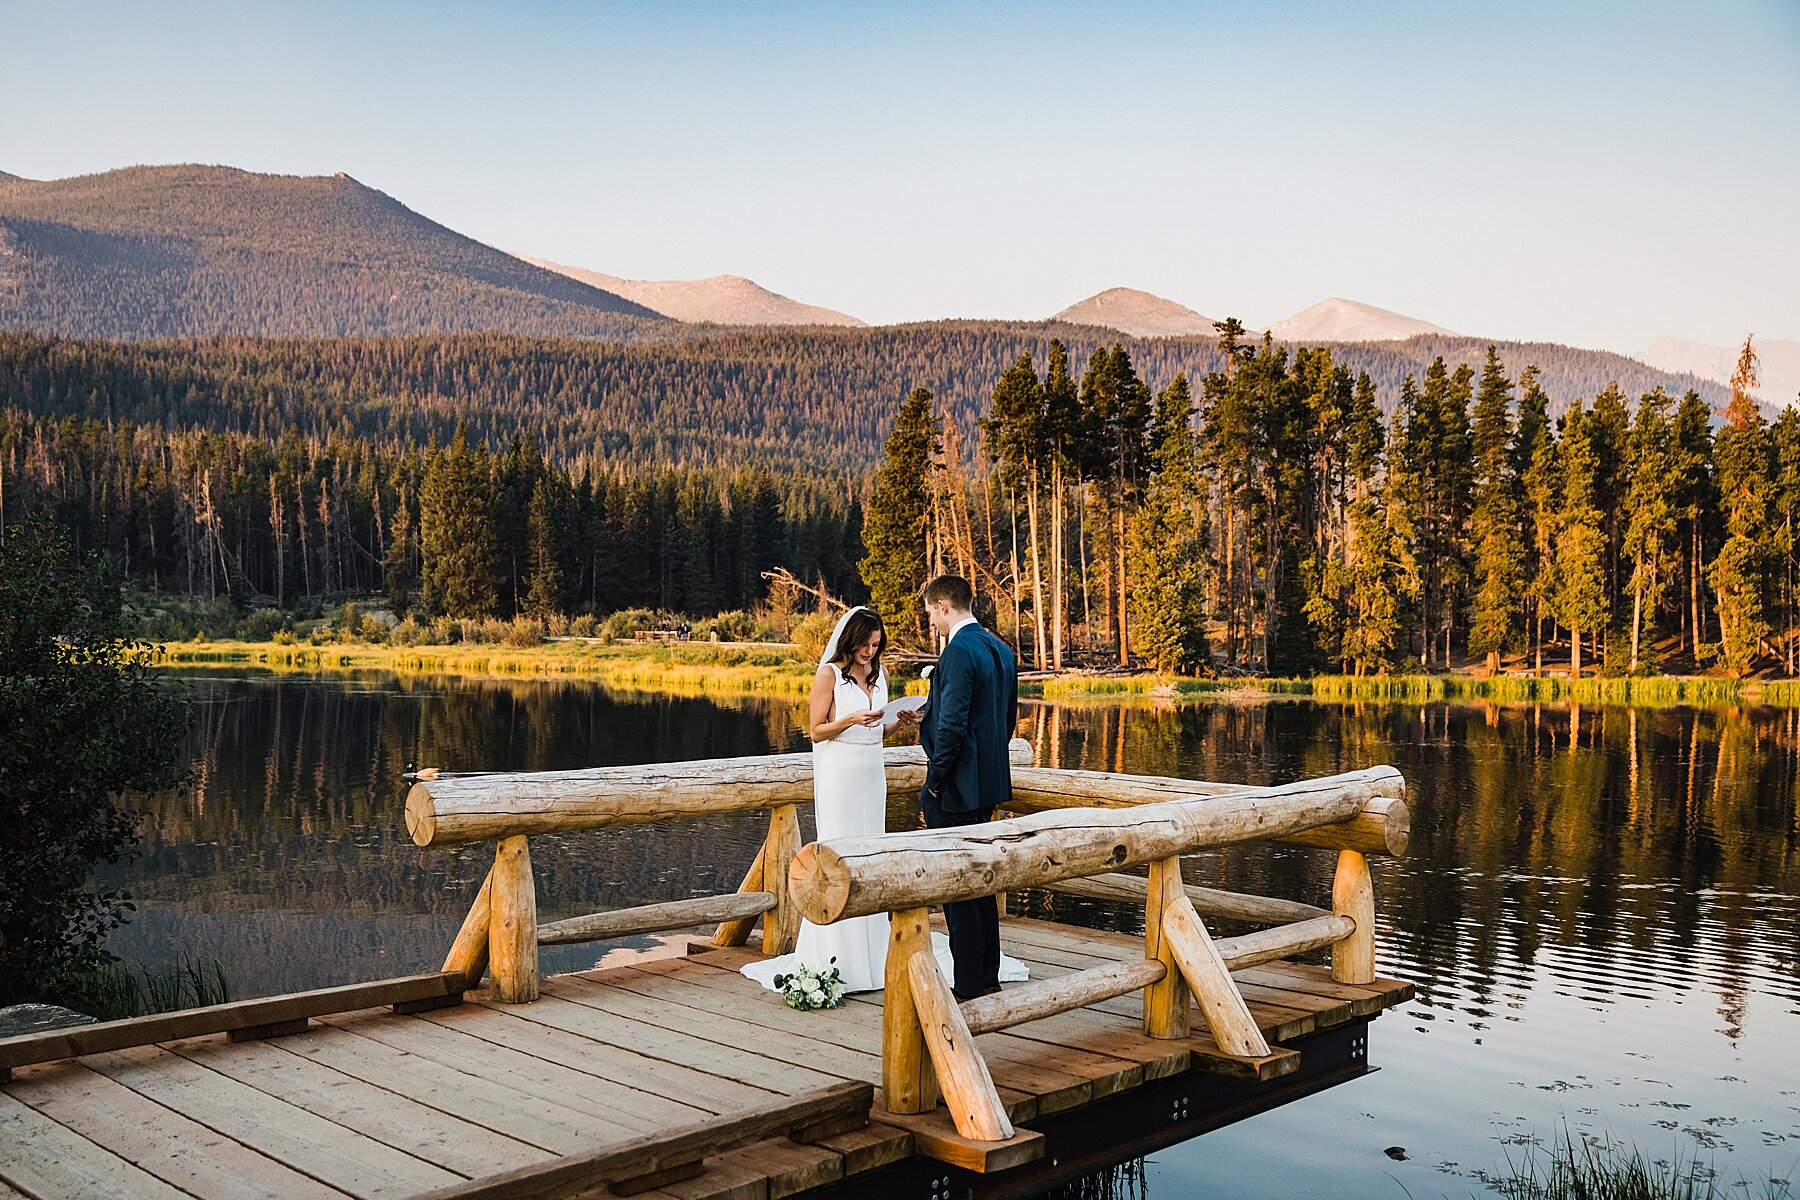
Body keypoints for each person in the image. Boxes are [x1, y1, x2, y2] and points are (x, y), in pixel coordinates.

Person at [741, 606, 896, 993]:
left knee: (870, 853)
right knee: (839, 854)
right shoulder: (829, 674)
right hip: (840, 778)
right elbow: (815, 731)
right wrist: (850, 719)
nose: (870, 652)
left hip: (872, 777)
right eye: (865, 644)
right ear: (850, 639)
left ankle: (874, 956)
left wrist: (899, 721)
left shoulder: (882, 674)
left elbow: (877, 731)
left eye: (876, 646)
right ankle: (836, 953)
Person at [917, 574, 1024, 1001]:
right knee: (982, 884)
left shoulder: (959, 651)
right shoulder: (999, 647)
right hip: (988, 783)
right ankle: (987, 976)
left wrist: (936, 783)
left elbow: (952, 727)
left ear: (944, 606)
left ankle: (965, 988)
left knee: (959, 891)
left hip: (957, 788)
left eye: (931, 613)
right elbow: (1005, 720)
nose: (932, 622)